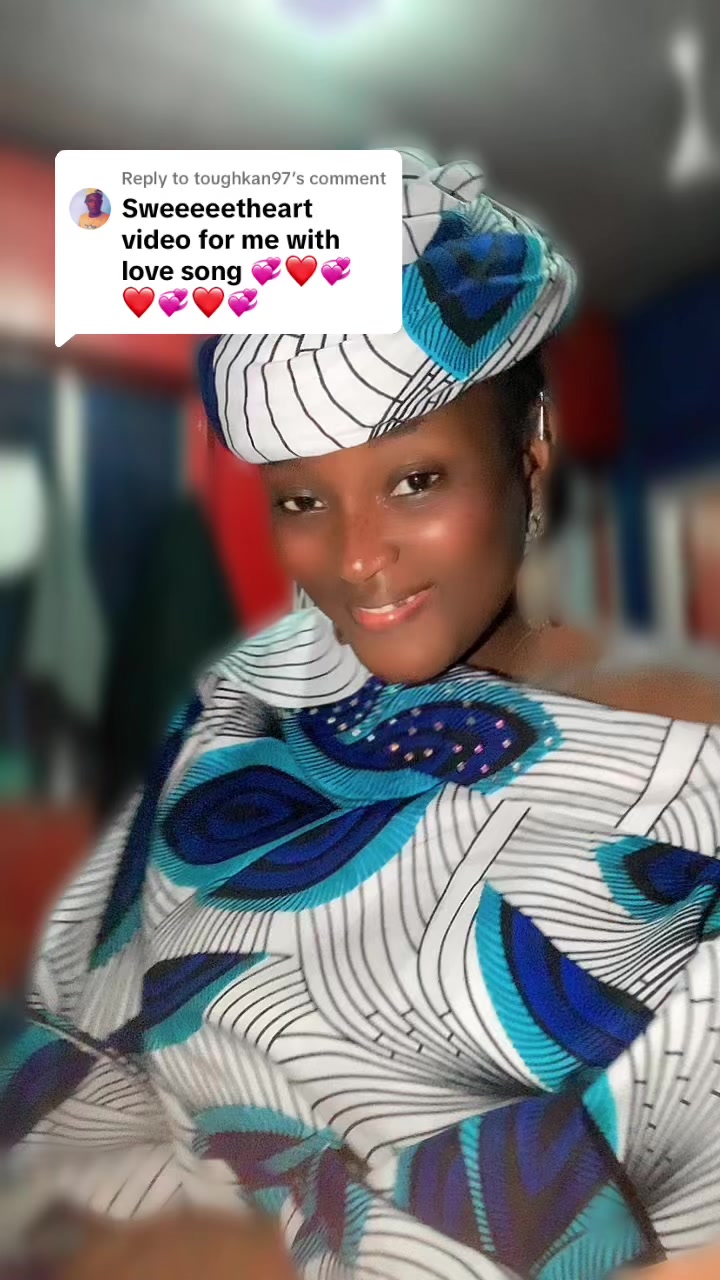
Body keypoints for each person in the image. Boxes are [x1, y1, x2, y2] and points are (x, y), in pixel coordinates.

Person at [3, 148, 720, 1280]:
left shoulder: (690, 767)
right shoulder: (245, 707)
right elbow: (81, 1047)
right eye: (302, 499)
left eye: (414, 481)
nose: (355, 558)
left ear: (530, 449)